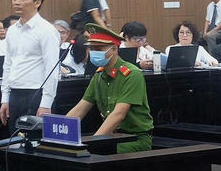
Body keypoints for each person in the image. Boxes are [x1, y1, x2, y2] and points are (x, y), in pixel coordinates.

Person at [61, 24, 154, 152]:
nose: (94, 52)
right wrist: (60, 133)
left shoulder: (132, 74)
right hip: (111, 137)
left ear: (114, 48)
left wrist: (93, 143)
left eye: (99, 48)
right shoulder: (99, 76)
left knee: (92, 154)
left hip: (134, 139)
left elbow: (118, 114)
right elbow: (80, 109)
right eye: (91, 48)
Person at [0, 0, 60, 129]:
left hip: (36, 94)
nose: (17, 2)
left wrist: (46, 103)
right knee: (14, 140)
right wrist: (5, 98)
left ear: (37, 2)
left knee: (35, 141)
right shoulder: (12, 30)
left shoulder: (46, 30)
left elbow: (52, 69)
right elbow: (8, 65)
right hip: (15, 94)